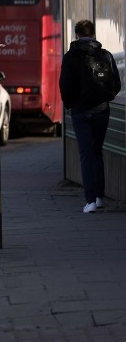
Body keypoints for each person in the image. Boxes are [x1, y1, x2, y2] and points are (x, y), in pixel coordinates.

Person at [59, 19, 122, 213]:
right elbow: (117, 84)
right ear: (93, 34)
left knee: (85, 155)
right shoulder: (106, 55)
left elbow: (65, 85)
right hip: (102, 110)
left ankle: (90, 201)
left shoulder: (70, 57)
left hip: (80, 111)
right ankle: (100, 197)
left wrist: (70, 105)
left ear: (76, 35)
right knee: (97, 152)